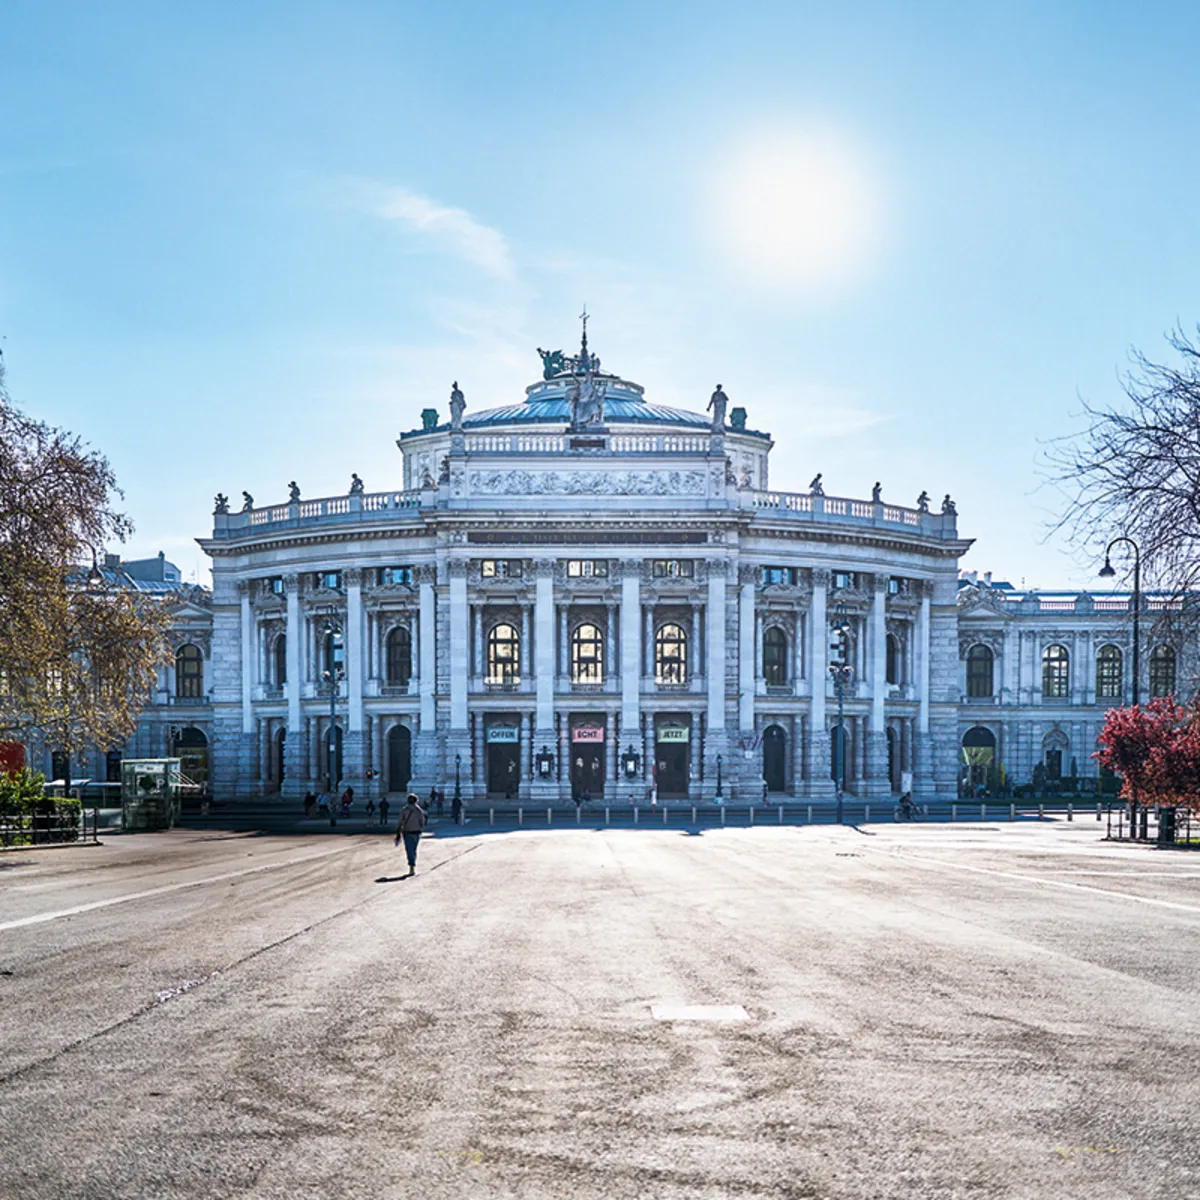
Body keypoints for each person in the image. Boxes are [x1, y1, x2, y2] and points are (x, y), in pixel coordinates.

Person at [394, 794, 427, 875]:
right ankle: (412, 864)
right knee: (414, 849)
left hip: (407, 831)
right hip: (417, 832)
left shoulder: (404, 810)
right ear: (416, 801)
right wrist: (420, 829)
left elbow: (400, 822)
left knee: (409, 849)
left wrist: (398, 831)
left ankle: (411, 865)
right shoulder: (419, 810)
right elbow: (422, 822)